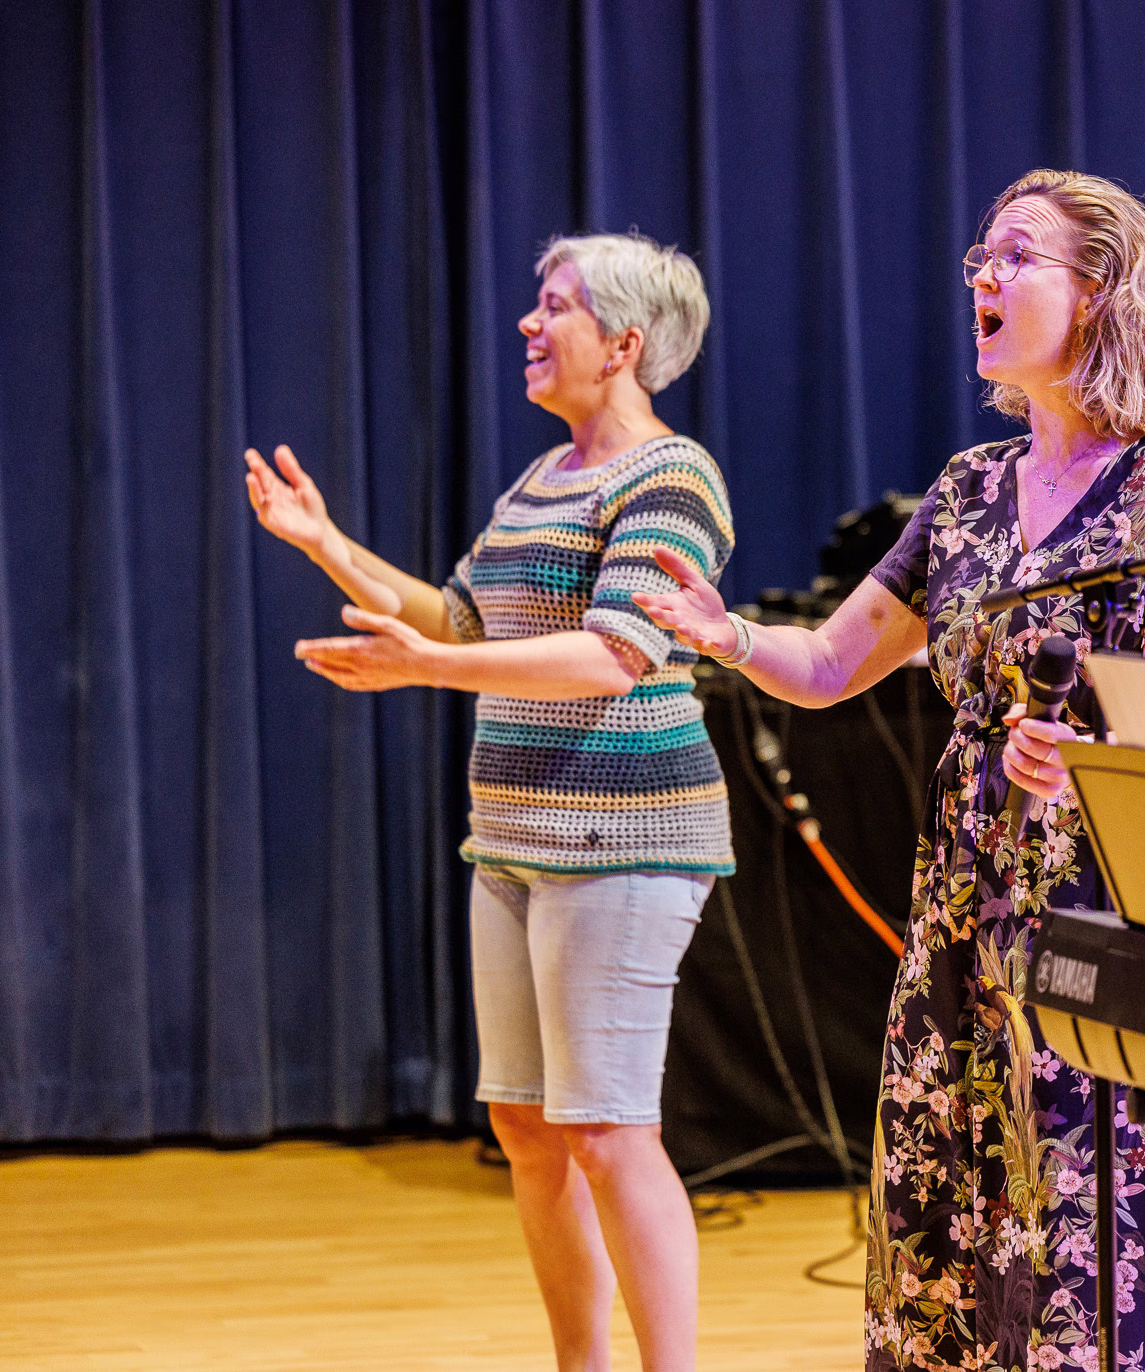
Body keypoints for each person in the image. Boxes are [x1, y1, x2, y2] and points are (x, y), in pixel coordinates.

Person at [637, 169, 1145, 1372]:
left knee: (1077, 1226)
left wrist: (1084, 755)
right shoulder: (968, 490)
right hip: (960, 911)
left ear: (1099, 290)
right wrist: (728, 635)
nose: (982, 274)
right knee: (944, 1209)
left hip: (1092, 915)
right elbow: (829, 663)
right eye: (980, 256)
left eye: (1016, 255)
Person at [245, 232, 734, 1372]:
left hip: (624, 837)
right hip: (512, 840)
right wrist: (326, 544)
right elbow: (460, 618)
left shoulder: (671, 477)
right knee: (526, 1124)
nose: (528, 323)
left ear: (623, 343)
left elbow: (613, 655)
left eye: (555, 305)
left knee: (609, 1129)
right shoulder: (541, 478)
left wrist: (427, 669)